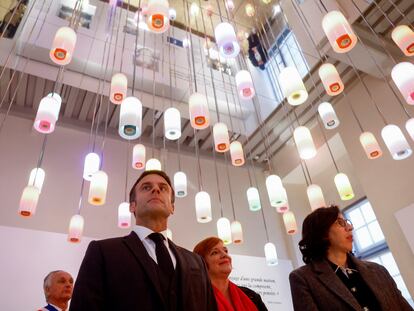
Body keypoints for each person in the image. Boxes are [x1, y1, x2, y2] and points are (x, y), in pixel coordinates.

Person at [70, 170, 217, 311]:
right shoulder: (102, 251)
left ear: (172, 207)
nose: (156, 190)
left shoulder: (196, 261)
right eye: (147, 187)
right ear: (132, 206)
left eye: (163, 188)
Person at [289, 205, 413, 311]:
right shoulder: (302, 279)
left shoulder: (379, 271)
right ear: (322, 233)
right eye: (340, 223)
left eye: (347, 222)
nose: (349, 227)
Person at [194, 236, 268, 311]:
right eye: (215, 252)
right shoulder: (196, 300)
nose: (224, 255)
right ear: (201, 263)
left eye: (225, 251)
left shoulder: (251, 296)